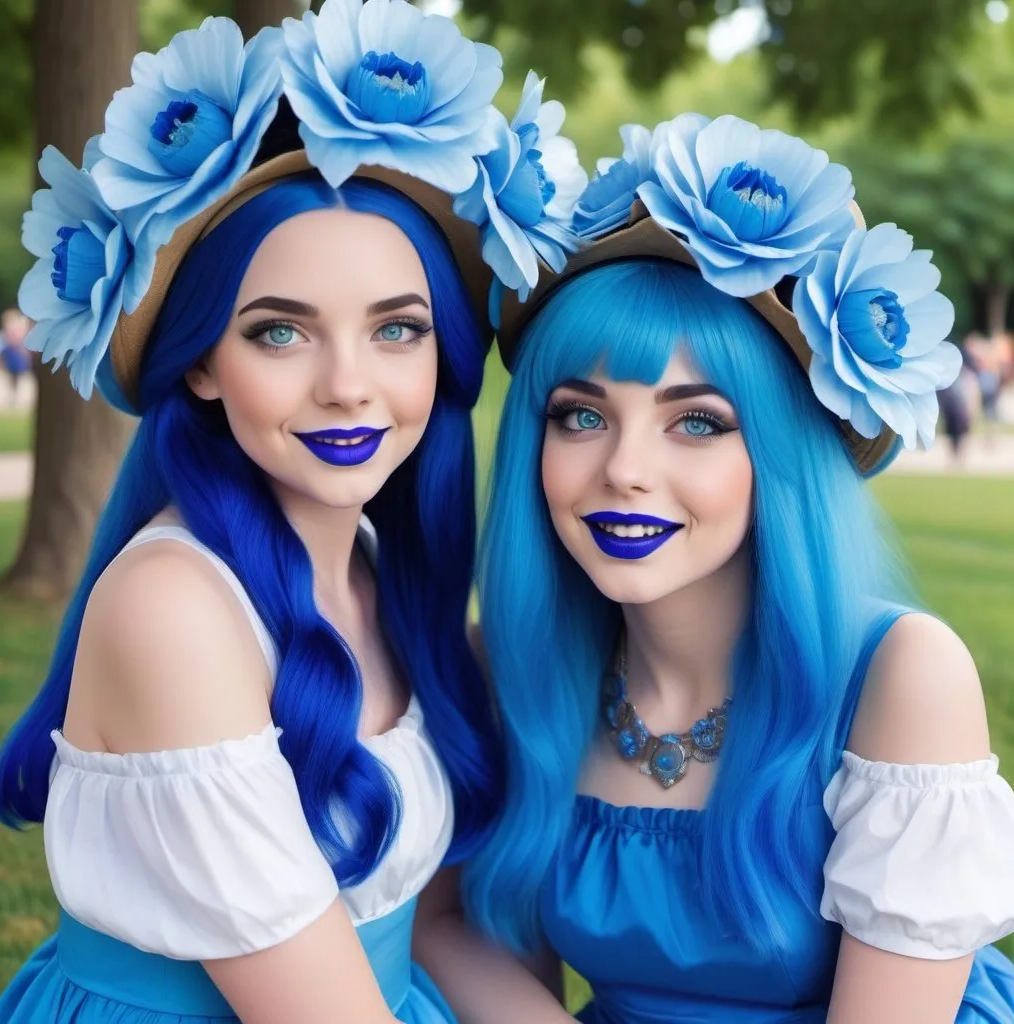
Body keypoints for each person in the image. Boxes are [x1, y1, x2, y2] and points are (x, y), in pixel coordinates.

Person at [0, 3, 551, 1019]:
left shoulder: (386, 570)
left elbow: (427, 922)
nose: (348, 386)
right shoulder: (174, 606)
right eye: (281, 333)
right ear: (201, 361)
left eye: (397, 330)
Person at [417, 115, 1014, 1022]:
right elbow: (451, 921)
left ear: (777, 457)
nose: (624, 468)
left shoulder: (900, 677)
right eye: (582, 416)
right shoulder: (511, 664)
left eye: (696, 422)